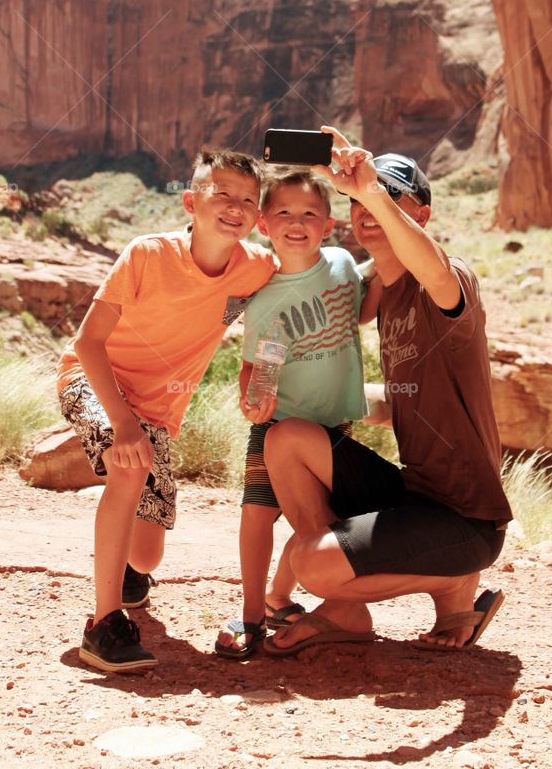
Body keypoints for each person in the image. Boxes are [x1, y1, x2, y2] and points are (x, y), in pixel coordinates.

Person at [262, 126, 512, 656]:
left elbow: (433, 266)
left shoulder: (446, 281)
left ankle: (450, 583)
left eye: (392, 195)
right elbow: (403, 401)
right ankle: (345, 609)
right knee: (287, 438)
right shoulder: (388, 294)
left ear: (420, 216)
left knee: (312, 563)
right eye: (357, 200)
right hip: (414, 495)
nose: (369, 207)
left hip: (465, 519)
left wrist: (370, 188)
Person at [56, 149, 277, 673]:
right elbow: (88, 344)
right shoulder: (147, 254)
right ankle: (104, 625)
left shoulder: (256, 269)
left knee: (148, 555)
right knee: (129, 465)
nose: (234, 206)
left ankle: (130, 576)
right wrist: (124, 423)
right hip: (92, 380)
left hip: (156, 414)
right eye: (220, 193)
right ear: (190, 201)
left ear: (258, 215)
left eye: (247, 199)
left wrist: (259, 383)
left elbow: (286, 306)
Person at [215, 168, 381, 658]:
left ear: (328, 226)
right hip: (277, 424)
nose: (297, 221)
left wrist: (391, 274)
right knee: (258, 515)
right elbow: (256, 365)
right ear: (263, 224)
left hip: (333, 423)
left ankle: (278, 598)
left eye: (310, 213)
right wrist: (252, 400)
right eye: (283, 212)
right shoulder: (261, 292)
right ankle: (249, 612)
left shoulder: (342, 264)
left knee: (313, 520)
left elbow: (361, 312)